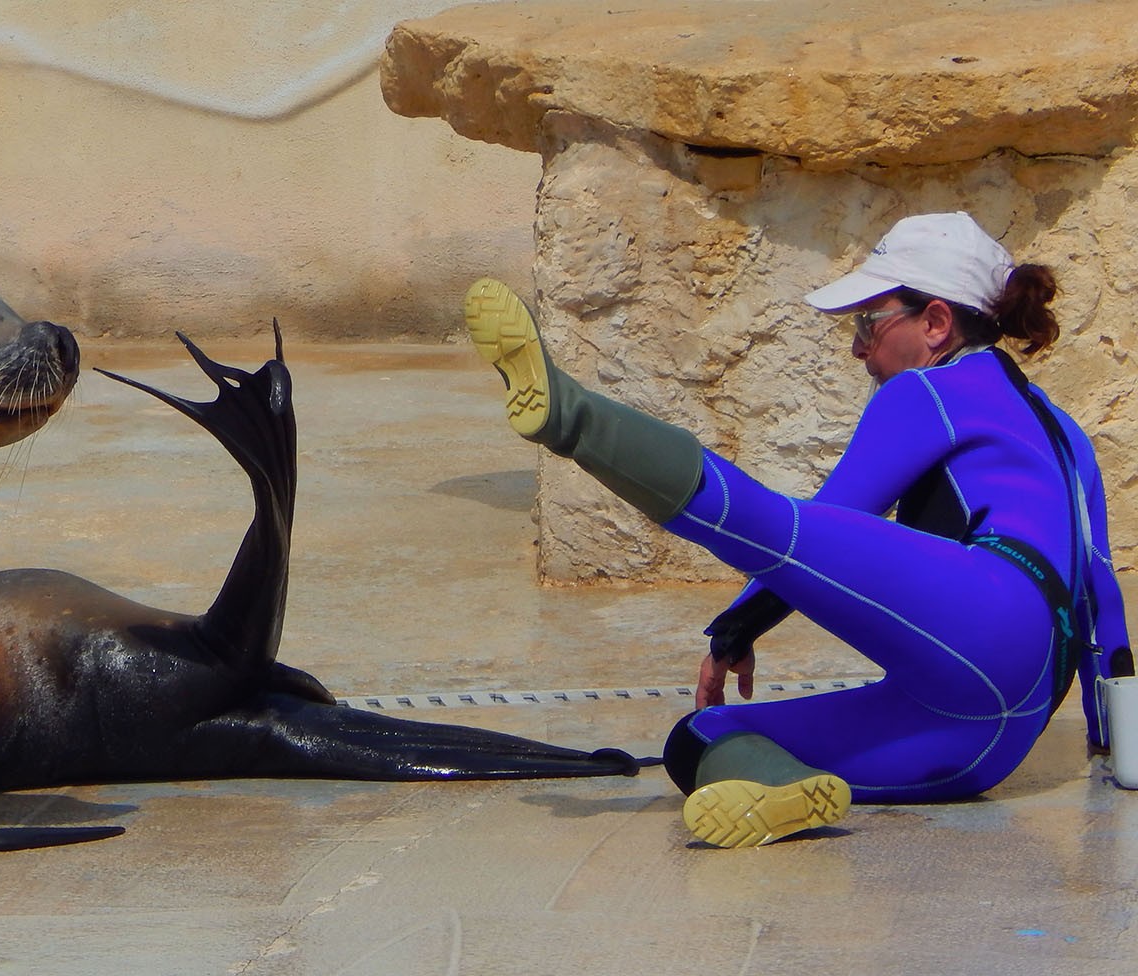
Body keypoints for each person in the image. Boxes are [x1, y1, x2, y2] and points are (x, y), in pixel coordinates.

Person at [463, 211, 1132, 848]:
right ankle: (787, 792)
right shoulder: (1064, 427)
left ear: (935, 322)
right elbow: (1102, 589)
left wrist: (734, 631)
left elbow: (829, 521)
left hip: (992, 625)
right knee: (699, 737)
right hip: (996, 740)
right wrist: (1112, 741)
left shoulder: (927, 392)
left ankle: (570, 417)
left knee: (763, 521)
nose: (857, 348)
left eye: (870, 323)